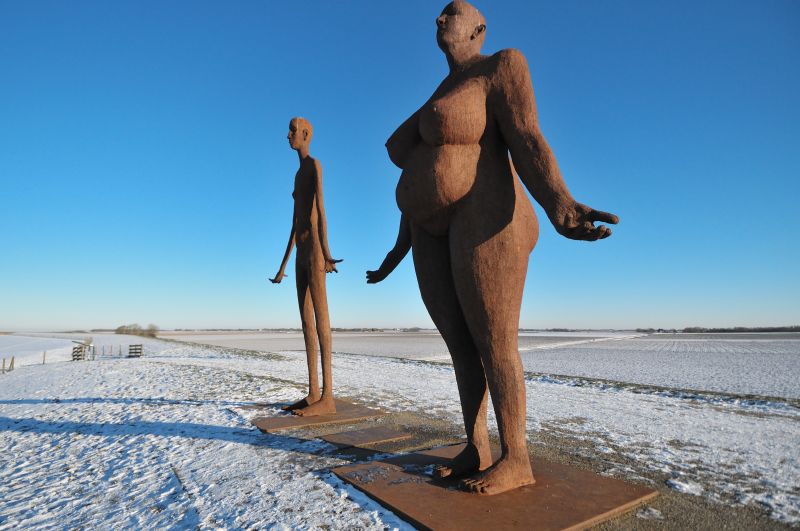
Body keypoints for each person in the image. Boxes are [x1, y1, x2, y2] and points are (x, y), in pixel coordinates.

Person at [367, 1, 618, 495]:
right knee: (460, 346)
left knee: (495, 341)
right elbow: (418, 175)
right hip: (428, 228)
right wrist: (395, 253)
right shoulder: (442, 90)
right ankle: (475, 445)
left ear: (479, 29)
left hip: (486, 218)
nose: (440, 20)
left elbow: (526, 135)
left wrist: (560, 204)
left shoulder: (502, 64)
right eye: (439, 15)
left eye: (451, 13)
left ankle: (517, 457)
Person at [271, 117, 342, 417]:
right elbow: (294, 222)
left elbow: (321, 211)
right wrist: (282, 264)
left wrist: (326, 253)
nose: (287, 135)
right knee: (305, 322)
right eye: (289, 130)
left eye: (292, 131)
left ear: (305, 134)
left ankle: (329, 396)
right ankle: (313, 391)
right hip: (300, 255)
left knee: (321, 321)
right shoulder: (297, 174)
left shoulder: (314, 166)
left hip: (314, 252)